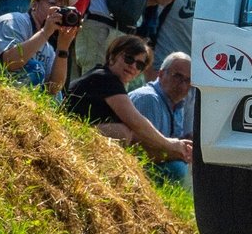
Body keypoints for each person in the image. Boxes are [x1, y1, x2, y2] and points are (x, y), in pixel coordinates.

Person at [64, 35, 191, 164]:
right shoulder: (105, 78)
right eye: (129, 58)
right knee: (122, 133)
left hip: (77, 133)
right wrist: (170, 144)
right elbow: (136, 122)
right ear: (113, 56)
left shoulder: (111, 80)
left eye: (139, 65)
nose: (133, 66)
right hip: (67, 134)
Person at [0, 0, 80, 97]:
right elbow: (10, 63)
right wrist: (45, 32)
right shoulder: (14, 21)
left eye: (62, 8)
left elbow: (54, 88)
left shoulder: (47, 46)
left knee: (57, 96)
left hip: (15, 93)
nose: (57, 11)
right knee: (35, 69)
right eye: (52, 3)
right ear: (34, 5)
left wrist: (63, 48)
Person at [127, 49, 193, 181]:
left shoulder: (177, 103)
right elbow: (141, 151)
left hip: (157, 162)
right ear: (161, 74)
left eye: (188, 80)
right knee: (178, 169)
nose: (183, 84)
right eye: (178, 76)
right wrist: (180, 154)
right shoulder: (149, 99)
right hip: (135, 171)